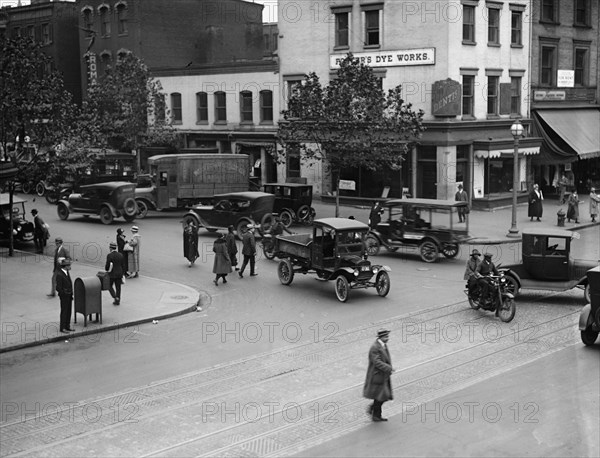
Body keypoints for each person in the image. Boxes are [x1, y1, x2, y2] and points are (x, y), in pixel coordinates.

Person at [363, 328, 394, 422]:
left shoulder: (383, 345)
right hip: (377, 376)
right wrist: (388, 368)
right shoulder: (375, 348)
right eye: (386, 337)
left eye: (388, 336)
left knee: (382, 396)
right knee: (381, 396)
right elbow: (377, 362)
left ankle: (374, 412)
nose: (388, 338)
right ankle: (375, 414)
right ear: (381, 337)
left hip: (382, 375)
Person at [55, 257, 74, 333]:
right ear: (65, 266)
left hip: (69, 295)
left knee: (69, 311)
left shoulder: (66, 272)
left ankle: (67, 326)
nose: (70, 267)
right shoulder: (59, 275)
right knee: (64, 311)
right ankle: (62, 327)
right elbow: (58, 287)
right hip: (64, 296)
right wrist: (64, 293)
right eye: (69, 265)